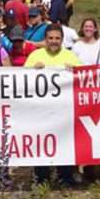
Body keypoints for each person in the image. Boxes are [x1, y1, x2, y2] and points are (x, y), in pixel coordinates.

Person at [27, 25, 79, 188]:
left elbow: (83, 79)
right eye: (50, 38)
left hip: (64, 112)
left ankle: (65, 178)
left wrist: (75, 70)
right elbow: (22, 80)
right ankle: (41, 179)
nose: (54, 41)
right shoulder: (35, 55)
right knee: (42, 144)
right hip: (41, 111)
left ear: (62, 40)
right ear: (45, 39)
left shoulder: (70, 56)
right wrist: (32, 70)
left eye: (57, 38)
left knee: (64, 143)